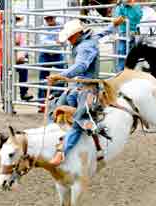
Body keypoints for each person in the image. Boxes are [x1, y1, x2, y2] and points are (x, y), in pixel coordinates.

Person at [47, 16, 125, 166]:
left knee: (80, 117)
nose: (69, 40)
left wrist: (60, 76)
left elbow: (81, 66)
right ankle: (56, 137)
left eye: (70, 37)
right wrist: (113, 25)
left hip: (88, 88)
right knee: (55, 107)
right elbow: (102, 33)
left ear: (77, 34)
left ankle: (63, 152)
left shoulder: (85, 47)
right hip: (77, 86)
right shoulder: (89, 39)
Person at [37, 15, 65, 113]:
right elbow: (44, 42)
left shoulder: (61, 26)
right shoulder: (43, 27)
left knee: (63, 75)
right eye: (47, 19)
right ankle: (41, 104)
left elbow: (63, 39)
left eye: (51, 18)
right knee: (42, 78)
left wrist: (57, 42)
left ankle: (60, 100)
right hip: (46, 54)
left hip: (57, 54)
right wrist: (56, 42)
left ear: (55, 18)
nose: (49, 20)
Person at [114, 0, 143, 72]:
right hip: (123, 33)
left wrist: (133, 7)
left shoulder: (136, 6)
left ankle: (130, 71)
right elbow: (118, 18)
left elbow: (139, 17)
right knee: (121, 51)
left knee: (132, 53)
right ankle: (121, 71)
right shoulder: (120, 7)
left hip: (133, 33)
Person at [15, 15, 33, 102]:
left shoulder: (20, 30)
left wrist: (21, 56)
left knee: (23, 69)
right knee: (5, 75)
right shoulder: (4, 28)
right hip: (8, 55)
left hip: (19, 54)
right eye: (15, 19)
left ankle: (23, 92)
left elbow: (23, 44)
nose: (15, 21)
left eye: (17, 19)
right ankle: (6, 98)